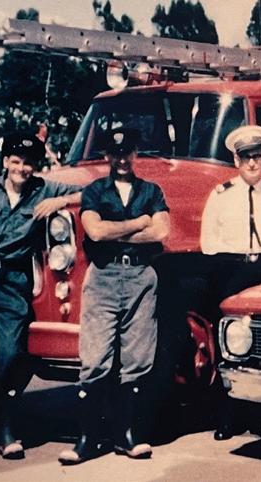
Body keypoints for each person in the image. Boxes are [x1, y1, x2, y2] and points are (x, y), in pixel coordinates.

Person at [0, 134, 83, 460]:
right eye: (16, 161)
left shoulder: (44, 189)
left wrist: (61, 201)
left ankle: (7, 432)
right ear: (6, 161)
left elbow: (92, 190)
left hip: (13, 283)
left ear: (36, 166)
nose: (22, 168)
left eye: (28, 163)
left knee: (9, 356)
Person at [58, 129, 170, 465]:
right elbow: (94, 231)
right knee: (95, 357)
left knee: (137, 357)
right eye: (116, 153)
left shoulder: (151, 191)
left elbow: (161, 231)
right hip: (103, 277)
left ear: (136, 154)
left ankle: (127, 437)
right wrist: (138, 222)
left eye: (128, 152)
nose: (122, 159)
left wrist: (115, 231)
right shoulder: (95, 190)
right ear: (107, 156)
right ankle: (87, 440)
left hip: (140, 276)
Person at [200, 125, 261, 440]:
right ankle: (229, 417)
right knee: (230, 342)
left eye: (258, 157)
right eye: (246, 158)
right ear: (236, 161)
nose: (252, 163)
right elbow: (209, 240)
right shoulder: (220, 195)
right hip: (231, 269)